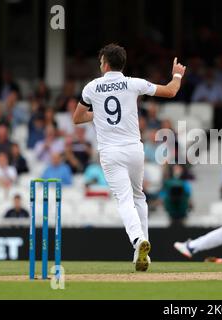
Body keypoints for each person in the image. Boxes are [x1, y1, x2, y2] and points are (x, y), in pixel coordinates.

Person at [72, 43, 186, 272]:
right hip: (134, 149)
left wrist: (99, 114)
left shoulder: (91, 87)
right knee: (138, 197)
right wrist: (177, 74)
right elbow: (171, 91)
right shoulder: (134, 83)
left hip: (111, 152)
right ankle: (141, 254)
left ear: (104, 63)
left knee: (124, 200)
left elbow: (77, 118)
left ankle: (137, 239)